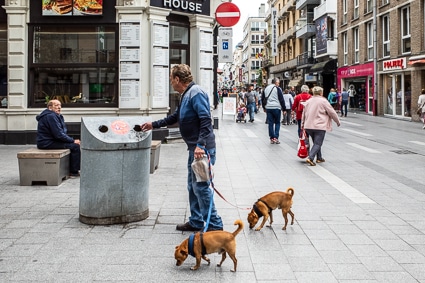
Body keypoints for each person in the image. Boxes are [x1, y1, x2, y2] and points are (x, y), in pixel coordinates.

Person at [140, 64, 223, 232]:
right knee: (192, 186)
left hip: (201, 150)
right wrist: (153, 125)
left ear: (178, 79)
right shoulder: (186, 95)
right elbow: (174, 118)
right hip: (194, 150)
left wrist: (200, 145)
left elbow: (206, 120)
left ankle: (214, 225)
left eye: (171, 80)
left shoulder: (196, 93)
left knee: (200, 186)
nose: (171, 83)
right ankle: (197, 221)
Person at [36, 99, 81, 176]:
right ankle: (73, 172)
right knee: (75, 146)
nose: (59, 107)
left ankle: (70, 169)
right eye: (56, 105)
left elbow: (61, 133)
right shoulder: (51, 116)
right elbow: (59, 134)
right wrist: (72, 141)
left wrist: (69, 140)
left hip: (51, 141)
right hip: (47, 143)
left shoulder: (56, 116)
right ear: (50, 107)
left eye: (60, 105)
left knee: (73, 145)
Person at [301, 86, 340, 166]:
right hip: (319, 126)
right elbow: (331, 112)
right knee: (318, 143)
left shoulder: (309, 101)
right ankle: (310, 158)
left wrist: (302, 124)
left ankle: (319, 158)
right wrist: (337, 121)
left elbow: (303, 113)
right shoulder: (323, 101)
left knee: (316, 142)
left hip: (308, 126)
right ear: (321, 93)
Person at [262, 78, 286, 144]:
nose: (278, 84)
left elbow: (263, 98)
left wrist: (264, 107)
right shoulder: (277, 89)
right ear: (275, 82)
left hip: (268, 108)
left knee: (270, 123)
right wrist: (284, 109)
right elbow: (281, 99)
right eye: (278, 83)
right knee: (277, 123)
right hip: (276, 108)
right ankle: (276, 137)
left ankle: (271, 138)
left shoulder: (266, 88)